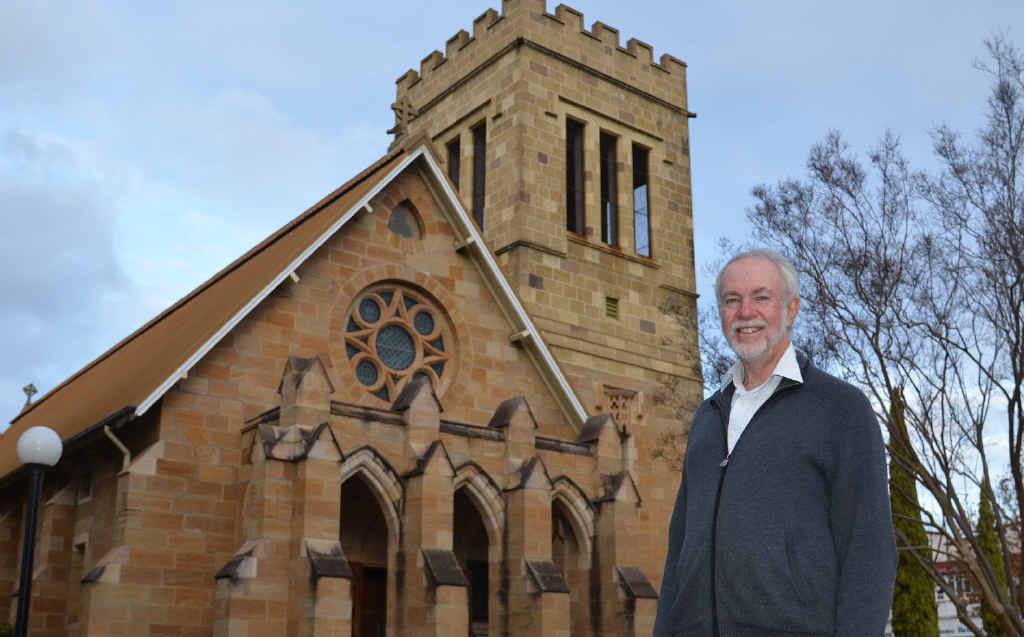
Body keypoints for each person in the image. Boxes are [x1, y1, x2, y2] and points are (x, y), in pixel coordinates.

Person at [653, 249, 897, 636]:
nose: (745, 311)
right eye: (732, 300)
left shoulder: (840, 408)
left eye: (761, 297)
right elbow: (679, 551)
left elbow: (869, 550)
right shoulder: (706, 417)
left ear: (792, 310)